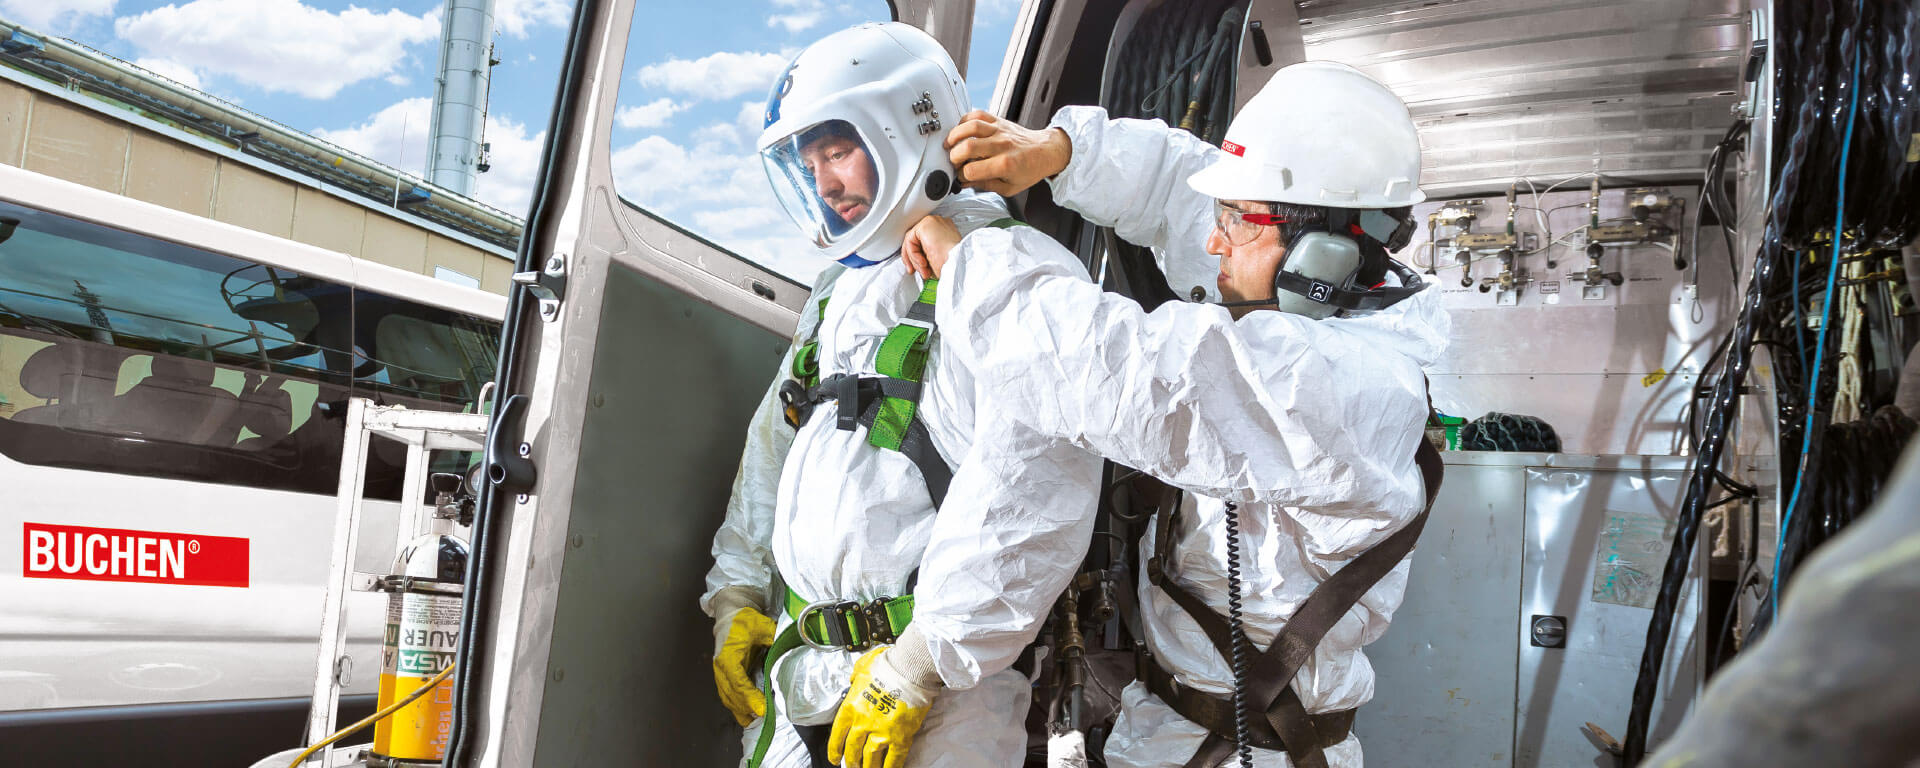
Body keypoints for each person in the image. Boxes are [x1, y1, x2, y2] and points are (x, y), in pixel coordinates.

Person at [898, 61, 1451, 768]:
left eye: (1237, 224)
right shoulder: (1326, 288)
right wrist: (1062, 150)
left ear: (1325, 254)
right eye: (1223, 216)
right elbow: (1178, 191)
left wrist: (972, 266)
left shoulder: (1340, 386)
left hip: (1248, 748)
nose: (1215, 241)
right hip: (1177, 727)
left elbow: (1116, 374)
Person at [700, 22, 1102, 768]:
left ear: (907, 130)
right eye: (808, 161)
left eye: (838, 150)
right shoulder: (836, 297)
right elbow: (774, 455)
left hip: (940, 703)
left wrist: (915, 669)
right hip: (803, 684)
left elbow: (1036, 501)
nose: (823, 184)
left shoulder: (1015, 273)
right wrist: (738, 596)